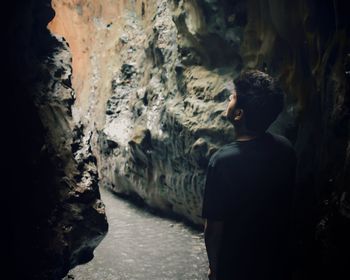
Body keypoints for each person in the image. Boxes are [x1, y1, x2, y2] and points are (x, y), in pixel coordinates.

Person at [202, 70, 297, 280]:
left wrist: (214, 268)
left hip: (236, 266)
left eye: (233, 96)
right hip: (276, 262)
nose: (229, 98)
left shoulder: (222, 162)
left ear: (239, 114)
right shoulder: (286, 149)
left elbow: (214, 229)